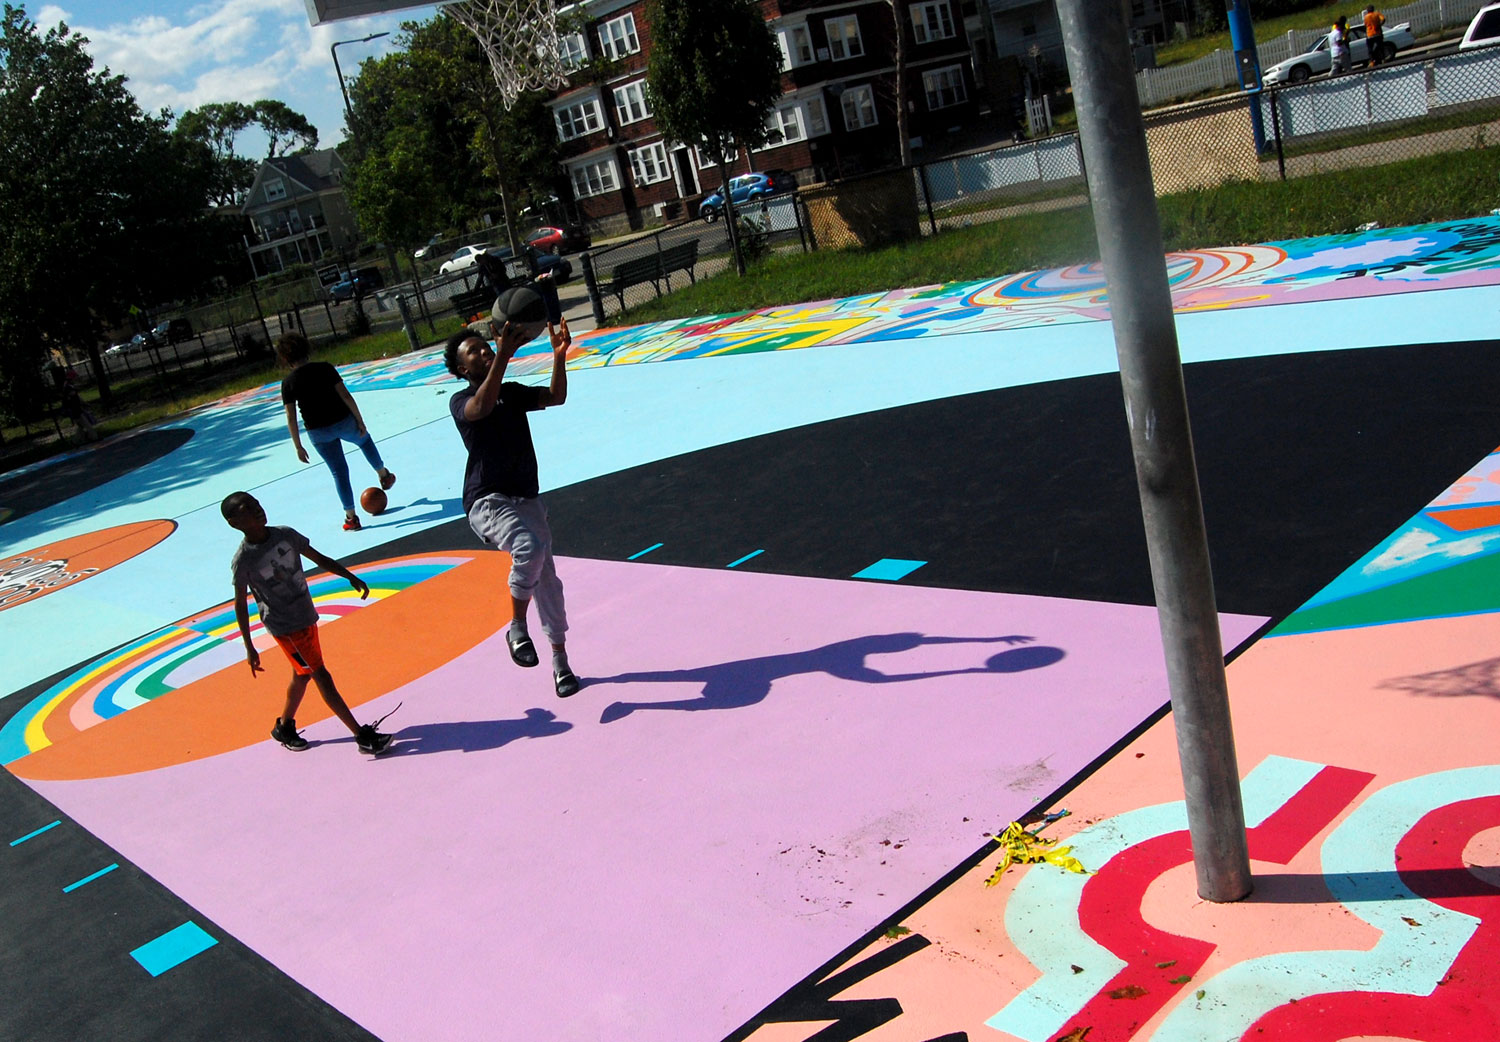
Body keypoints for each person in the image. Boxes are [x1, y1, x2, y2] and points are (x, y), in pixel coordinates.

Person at [443, 287, 580, 698]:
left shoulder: (513, 391)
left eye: (487, 348)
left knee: (548, 582)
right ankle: (516, 626)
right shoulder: (462, 400)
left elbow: (556, 397)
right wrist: (503, 354)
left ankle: (560, 662)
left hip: (526, 496)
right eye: (476, 353)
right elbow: (482, 410)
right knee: (529, 547)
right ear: (461, 369)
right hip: (487, 500)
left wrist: (558, 355)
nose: (484, 353)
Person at [223, 491, 394, 755]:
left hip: (305, 615)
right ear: (234, 522)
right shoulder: (244, 560)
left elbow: (318, 557)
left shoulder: (285, 535)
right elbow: (240, 603)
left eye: (257, 503)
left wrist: (348, 575)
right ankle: (361, 735)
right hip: (286, 626)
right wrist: (249, 646)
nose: (257, 509)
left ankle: (284, 727)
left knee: (301, 674)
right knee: (320, 674)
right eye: (248, 508)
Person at [277, 331, 395, 531]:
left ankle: (351, 518)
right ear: (307, 349)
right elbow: (345, 396)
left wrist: (298, 445)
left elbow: (291, 417)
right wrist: (359, 420)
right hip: (342, 420)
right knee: (364, 441)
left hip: (318, 432)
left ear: (285, 358)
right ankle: (383, 473)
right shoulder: (325, 368)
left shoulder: (288, 383)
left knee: (339, 472)